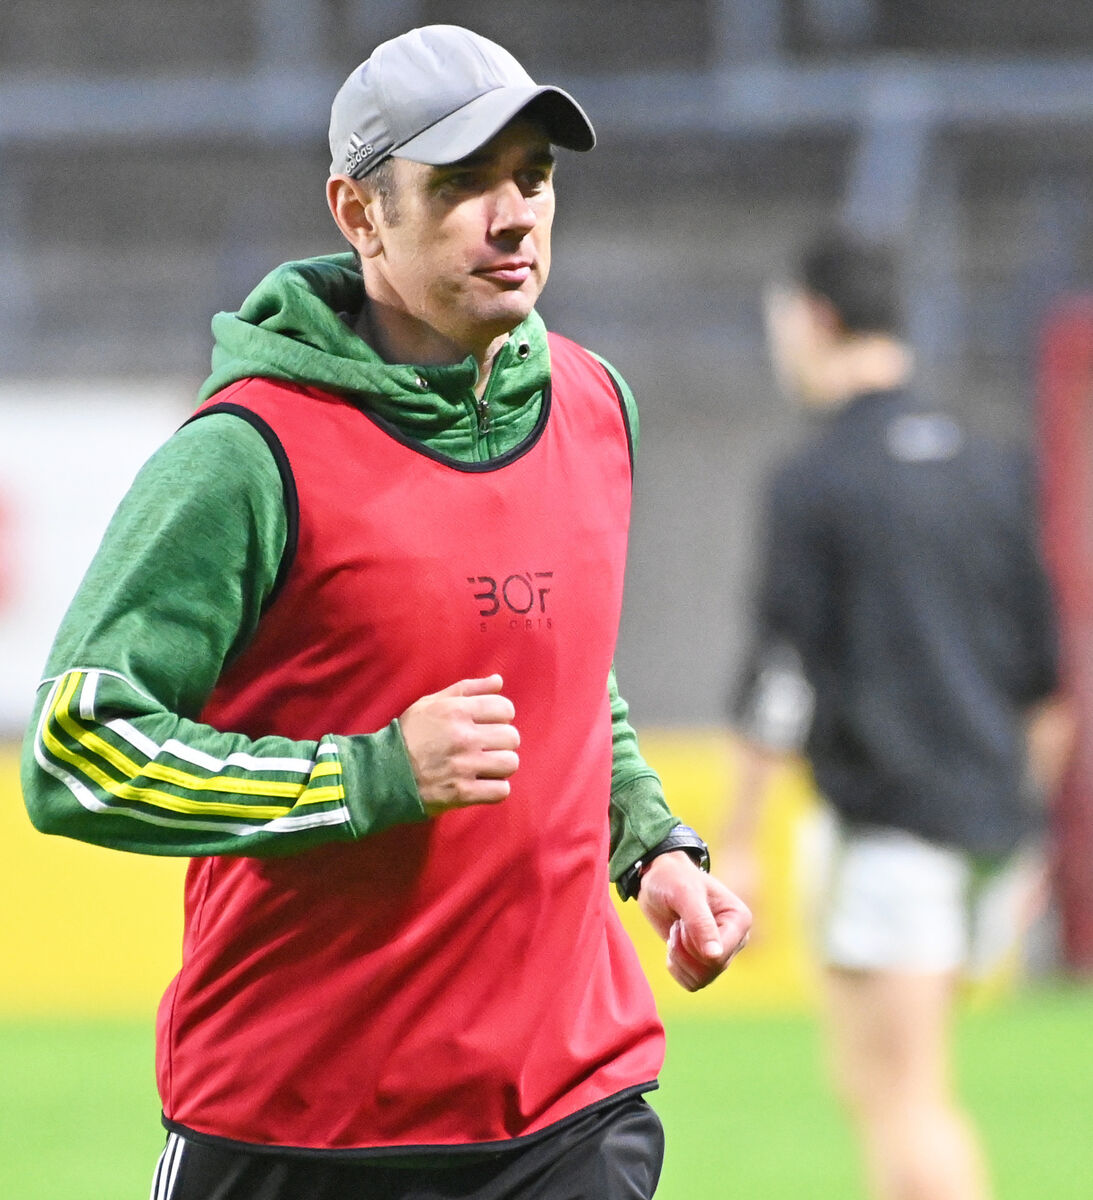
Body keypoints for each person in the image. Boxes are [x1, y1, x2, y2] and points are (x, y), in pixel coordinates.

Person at [21, 23, 751, 1200]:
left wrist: (649, 842)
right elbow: (75, 746)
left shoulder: (593, 406)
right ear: (359, 216)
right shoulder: (246, 455)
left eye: (534, 177)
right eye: (462, 185)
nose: (513, 215)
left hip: (571, 1111)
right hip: (297, 1127)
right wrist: (365, 776)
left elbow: (561, 669)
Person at [722, 229, 1073, 1200]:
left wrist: (739, 836)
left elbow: (779, 678)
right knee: (880, 1087)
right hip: (987, 831)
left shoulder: (815, 482)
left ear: (815, 318)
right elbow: (1047, 682)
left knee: (905, 1100)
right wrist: (1030, 834)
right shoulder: (993, 467)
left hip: (893, 829)